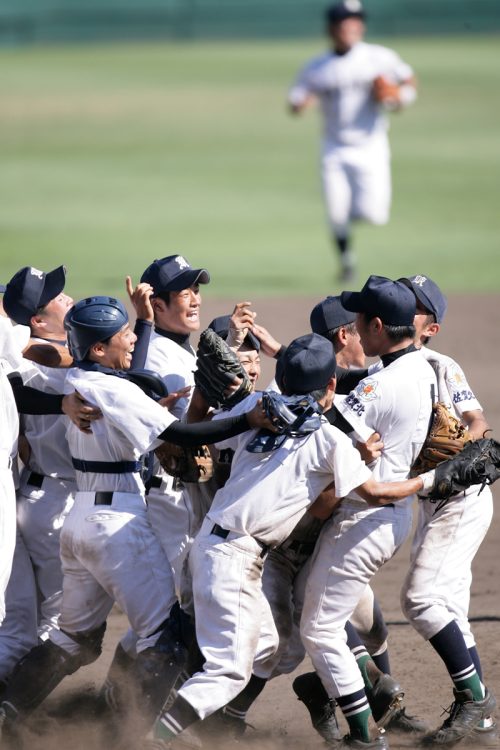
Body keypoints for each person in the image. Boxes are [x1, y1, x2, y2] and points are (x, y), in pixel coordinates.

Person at [146, 332, 439, 750]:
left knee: (269, 646)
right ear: (332, 385)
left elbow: (198, 437)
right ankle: (153, 738)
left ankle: (195, 720)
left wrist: (205, 402)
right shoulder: (330, 440)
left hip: (216, 546)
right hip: (234, 557)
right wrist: (430, 479)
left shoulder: (257, 409)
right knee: (230, 670)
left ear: (280, 378)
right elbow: (375, 494)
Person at [0, 295, 273, 740]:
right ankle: (130, 738)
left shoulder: (80, 379)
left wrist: (150, 400)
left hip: (79, 523)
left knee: (73, 638)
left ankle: (7, 715)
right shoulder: (115, 388)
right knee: (163, 639)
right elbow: (184, 434)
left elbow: (122, 417)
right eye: (121, 335)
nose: (130, 339)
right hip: (117, 525)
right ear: (98, 349)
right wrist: (250, 419)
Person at [298, 276, 436, 749]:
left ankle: (362, 734)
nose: (354, 326)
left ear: (376, 326)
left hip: (364, 515)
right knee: (347, 617)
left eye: (359, 319)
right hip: (393, 514)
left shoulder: (377, 386)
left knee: (318, 626)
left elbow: (318, 428)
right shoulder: (425, 367)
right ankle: (375, 701)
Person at [398, 274, 497, 746]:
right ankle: (478, 717)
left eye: (413, 304)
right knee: (449, 607)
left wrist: (459, 453)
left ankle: (475, 697)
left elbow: (477, 421)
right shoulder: (389, 365)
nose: (402, 305)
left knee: (420, 599)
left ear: (430, 327)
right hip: (431, 503)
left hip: (460, 497)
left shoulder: (440, 364)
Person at [287, 0, 417, 281]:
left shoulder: (380, 58)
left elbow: (409, 83)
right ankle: (346, 261)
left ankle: (350, 214)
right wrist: (301, 103)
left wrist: (396, 98)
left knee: (374, 215)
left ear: (361, 26)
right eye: (344, 21)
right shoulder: (317, 66)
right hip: (333, 148)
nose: (350, 26)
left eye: (355, 20)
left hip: (371, 146)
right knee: (335, 212)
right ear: (331, 28)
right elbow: (295, 100)